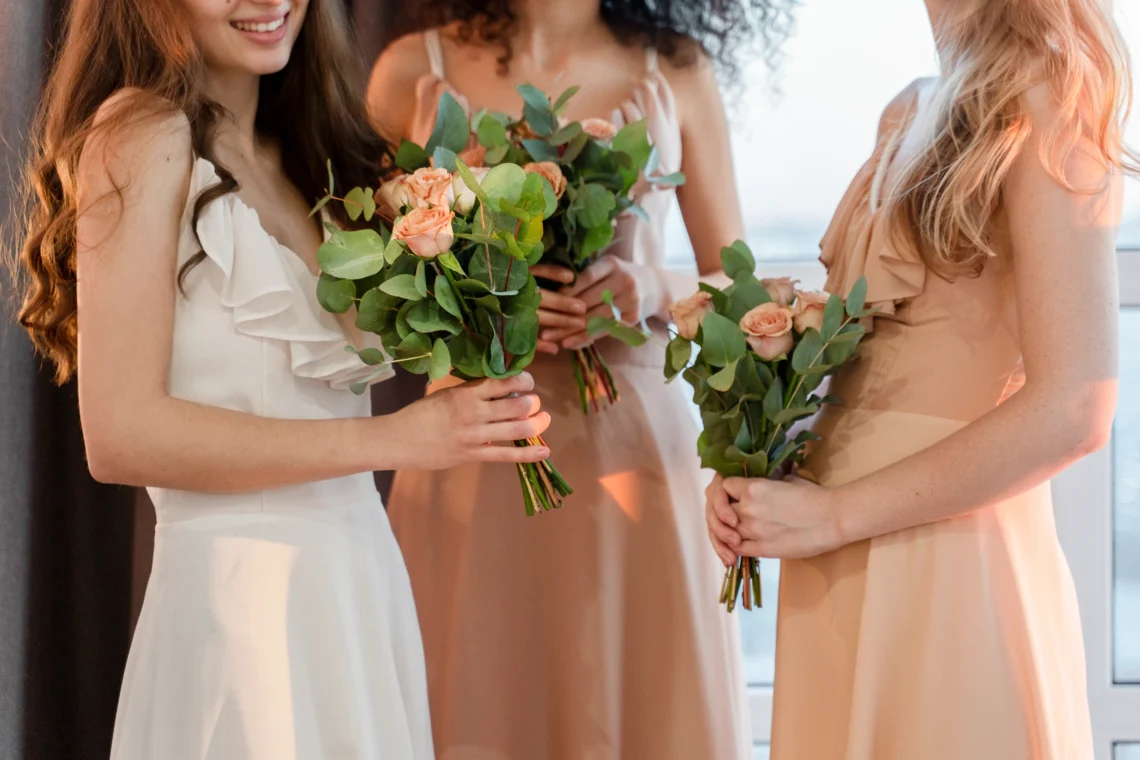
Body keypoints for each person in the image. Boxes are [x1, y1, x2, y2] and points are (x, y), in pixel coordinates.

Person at [11, 0, 552, 757]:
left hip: (358, 588)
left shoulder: (316, 159)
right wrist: (394, 439)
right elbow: (120, 435)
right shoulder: (141, 136)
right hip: (241, 609)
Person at [367, 1, 793, 757]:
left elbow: (739, 290)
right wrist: (467, 278)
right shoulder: (409, 70)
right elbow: (376, 301)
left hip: (633, 450)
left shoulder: (678, 70)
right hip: (476, 443)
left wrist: (649, 289)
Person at [706, 0, 1130, 757]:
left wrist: (834, 517)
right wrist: (764, 463)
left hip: (943, 564)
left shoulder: (1048, 91)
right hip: (838, 564)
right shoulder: (909, 106)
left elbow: (1076, 405)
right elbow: (870, 366)